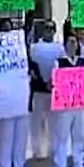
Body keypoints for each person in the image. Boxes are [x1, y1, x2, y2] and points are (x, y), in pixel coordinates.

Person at [0, 18, 33, 167]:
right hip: (5, 100)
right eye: (5, 29)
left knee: (21, 137)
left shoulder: (21, 48)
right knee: (6, 138)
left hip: (21, 97)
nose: (8, 32)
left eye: (10, 28)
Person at [51, 34, 84, 167]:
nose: (73, 45)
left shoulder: (82, 61)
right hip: (65, 106)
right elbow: (54, 81)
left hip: (79, 104)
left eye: (75, 42)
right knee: (62, 136)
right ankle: (60, 166)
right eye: (70, 42)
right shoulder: (59, 62)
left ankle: (78, 164)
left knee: (79, 135)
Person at [29, 20, 62, 159]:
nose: (49, 31)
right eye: (47, 28)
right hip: (38, 89)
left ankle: (53, 148)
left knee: (54, 122)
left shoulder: (60, 48)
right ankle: (36, 150)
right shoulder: (34, 48)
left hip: (54, 90)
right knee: (36, 122)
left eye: (51, 28)